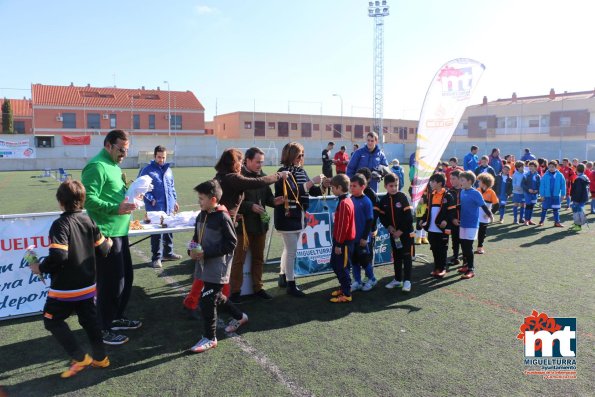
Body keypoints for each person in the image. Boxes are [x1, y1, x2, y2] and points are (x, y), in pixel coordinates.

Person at [28, 180, 112, 378]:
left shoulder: (60, 224)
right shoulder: (88, 220)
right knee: (90, 322)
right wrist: (109, 241)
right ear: (82, 200)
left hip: (65, 290)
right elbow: (103, 251)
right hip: (88, 286)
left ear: (60, 202)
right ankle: (101, 359)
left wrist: (39, 267)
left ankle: (80, 357)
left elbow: (60, 256)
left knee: (52, 320)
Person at [81, 129, 141, 345]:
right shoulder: (96, 166)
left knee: (126, 279)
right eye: (121, 149)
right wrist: (116, 208)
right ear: (108, 145)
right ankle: (102, 328)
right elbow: (88, 200)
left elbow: (115, 194)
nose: (124, 153)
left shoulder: (115, 166)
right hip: (105, 233)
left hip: (120, 231)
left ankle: (116, 318)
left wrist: (132, 193)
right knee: (110, 284)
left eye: (126, 149)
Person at [187, 180, 247, 353]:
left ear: (213, 200)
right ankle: (240, 317)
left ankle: (210, 337)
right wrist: (191, 250)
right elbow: (195, 238)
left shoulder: (223, 216)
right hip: (203, 264)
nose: (199, 201)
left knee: (207, 299)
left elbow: (231, 243)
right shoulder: (201, 215)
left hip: (218, 266)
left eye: (202, 198)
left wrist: (206, 252)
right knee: (216, 296)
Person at [229, 148, 283, 303]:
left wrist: (276, 202)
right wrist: (249, 207)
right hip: (243, 227)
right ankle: (235, 292)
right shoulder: (238, 178)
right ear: (247, 160)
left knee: (258, 259)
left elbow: (269, 199)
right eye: (258, 162)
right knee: (239, 260)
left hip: (260, 226)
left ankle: (258, 288)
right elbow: (232, 201)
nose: (260, 165)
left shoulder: (264, 177)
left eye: (262, 162)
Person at [274, 142, 327, 297]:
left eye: (303, 154)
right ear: (290, 155)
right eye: (299, 155)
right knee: (291, 252)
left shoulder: (300, 171)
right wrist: (312, 182)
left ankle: (283, 277)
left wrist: (323, 185)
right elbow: (291, 193)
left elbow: (314, 191)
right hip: (287, 215)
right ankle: (291, 284)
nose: (301, 158)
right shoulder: (283, 172)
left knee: (288, 250)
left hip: (299, 216)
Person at [138, 145, 181, 269]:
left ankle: (168, 253)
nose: (161, 160)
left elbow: (172, 187)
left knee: (169, 228)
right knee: (156, 232)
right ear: (154, 156)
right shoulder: (147, 170)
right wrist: (151, 199)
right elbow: (141, 188)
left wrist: (175, 201)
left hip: (169, 205)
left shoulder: (168, 170)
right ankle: (156, 258)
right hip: (155, 207)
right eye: (159, 157)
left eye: (163, 157)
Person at [378, 173, 415, 291]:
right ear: (385, 186)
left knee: (406, 256)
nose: (394, 188)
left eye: (396, 185)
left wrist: (401, 230)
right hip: (394, 235)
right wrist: (388, 226)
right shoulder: (383, 200)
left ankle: (407, 281)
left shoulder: (403, 197)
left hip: (406, 234)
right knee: (397, 257)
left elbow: (409, 217)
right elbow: (382, 216)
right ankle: (398, 279)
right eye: (391, 186)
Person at [456, 171, 493, 279]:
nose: (460, 182)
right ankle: (465, 265)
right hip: (462, 223)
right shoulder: (462, 191)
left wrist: (490, 215)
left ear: (470, 181)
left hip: (472, 224)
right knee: (463, 245)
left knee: (468, 247)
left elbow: (483, 206)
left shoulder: (476, 193)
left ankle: (471, 269)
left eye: (462, 180)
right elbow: (461, 206)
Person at [419, 173, 455, 278]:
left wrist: (446, 221)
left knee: (442, 249)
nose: (430, 183)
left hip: (442, 229)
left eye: (433, 181)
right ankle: (436, 267)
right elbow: (427, 210)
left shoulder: (447, 195)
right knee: (434, 248)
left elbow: (451, 212)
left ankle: (442, 268)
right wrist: (422, 219)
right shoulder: (431, 194)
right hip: (431, 228)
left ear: (439, 183)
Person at [328, 174, 356, 303]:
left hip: (343, 242)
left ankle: (347, 293)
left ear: (339, 187)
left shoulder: (345, 202)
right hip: (340, 241)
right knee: (335, 264)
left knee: (342, 267)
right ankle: (343, 287)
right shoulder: (343, 200)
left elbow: (342, 227)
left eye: (333, 188)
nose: (332, 190)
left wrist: (339, 244)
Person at [349, 174, 377, 292]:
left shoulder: (366, 201)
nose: (352, 188)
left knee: (364, 261)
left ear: (363, 187)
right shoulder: (351, 199)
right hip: (352, 238)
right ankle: (357, 281)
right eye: (350, 186)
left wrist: (365, 238)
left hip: (362, 239)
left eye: (354, 186)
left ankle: (372, 279)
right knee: (354, 260)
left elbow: (370, 220)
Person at [538, 161, 566, 227]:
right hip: (547, 196)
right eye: (550, 167)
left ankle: (557, 222)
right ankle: (541, 221)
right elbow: (542, 186)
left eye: (553, 167)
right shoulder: (545, 175)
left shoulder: (560, 175)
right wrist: (542, 195)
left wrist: (563, 194)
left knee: (556, 209)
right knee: (544, 209)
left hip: (556, 196)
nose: (551, 168)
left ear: (556, 167)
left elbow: (563, 185)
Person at [475, 174, 498, 255]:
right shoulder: (477, 190)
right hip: (476, 216)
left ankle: (480, 247)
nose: (478, 182)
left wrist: (490, 213)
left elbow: (497, 205)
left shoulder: (491, 192)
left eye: (479, 181)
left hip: (485, 217)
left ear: (484, 183)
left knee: (482, 233)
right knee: (474, 231)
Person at [448, 170, 463, 265]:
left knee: (465, 242)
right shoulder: (449, 191)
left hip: (465, 221)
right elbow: (448, 208)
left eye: (453, 179)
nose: (451, 181)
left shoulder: (466, 190)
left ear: (460, 179)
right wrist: (453, 219)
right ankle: (455, 257)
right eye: (450, 179)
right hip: (453, 221)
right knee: (455, 239)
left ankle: (466, 261)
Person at [569, 163, 590, 231]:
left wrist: (575, 199)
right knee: (579, 211)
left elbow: (578, 190)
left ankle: (578, 225)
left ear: (577, 169)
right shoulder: (585, 177)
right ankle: (577, 224)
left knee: (577, 212)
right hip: (583, 198)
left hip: (578, 198)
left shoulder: (579, 179)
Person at [522, 160, 541, 226]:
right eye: (530, 166)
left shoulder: (538, 176)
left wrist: (537, 190)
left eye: (532, 166)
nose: (531, 167)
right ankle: (526, 220)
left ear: (536, 167)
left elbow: (539, 184)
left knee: (532, 206)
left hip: (534, 194)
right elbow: (523, 184)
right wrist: (528, 189)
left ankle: (529, 220)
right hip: (528, 193)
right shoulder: (526, 175)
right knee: (528, 206)